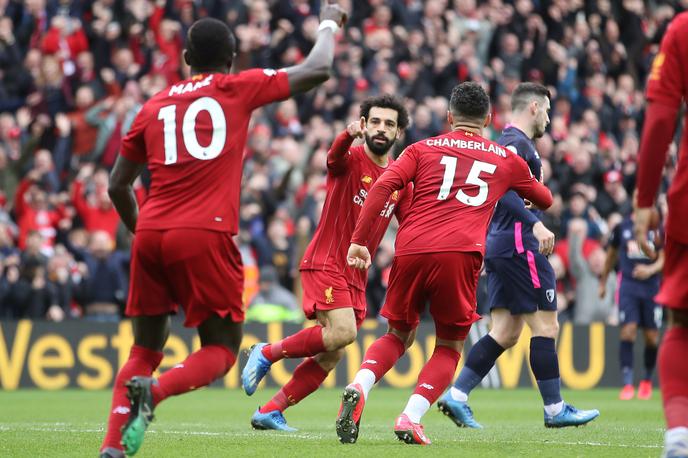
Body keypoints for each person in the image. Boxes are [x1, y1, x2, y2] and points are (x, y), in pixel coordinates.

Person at [99, 4, 349, 457]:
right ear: (232, 58)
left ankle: (112, 448)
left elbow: (118, 185)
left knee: (143, 351)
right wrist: (330, 20)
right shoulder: (237, 87)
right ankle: (151, 395)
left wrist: (142, 235)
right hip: (204, 233)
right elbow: (319, 68)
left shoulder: (152, 106)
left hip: (151, 230)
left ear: (186, 59)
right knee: (220, 350)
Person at [339, 82, 554, 445]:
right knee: (451, 345)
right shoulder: (504, 157)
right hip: (460, 254)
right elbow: (543, 198)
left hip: (410, 249)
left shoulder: (420, 148)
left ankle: (359, 384)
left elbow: (381, 188)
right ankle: (410, 416)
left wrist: (359, 241)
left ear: (449, 117)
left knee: (397, 334)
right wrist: (525, 187)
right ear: (488, 119)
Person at [241, 94, 411, 431]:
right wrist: (346, 134)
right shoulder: (350, 159)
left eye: (389, 124)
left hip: (356, 275)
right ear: (364, 125)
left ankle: (270, 410)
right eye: (374, 121)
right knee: (343, 332)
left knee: (334, 349)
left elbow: (411, 224)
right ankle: (266, 353)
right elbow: (332, 158)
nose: (381, 128)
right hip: (327, 260)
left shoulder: (398, 180)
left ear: (399, 133)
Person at [436, 83, 599, 430]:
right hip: (519, 243)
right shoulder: (514, 143)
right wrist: (535, 225)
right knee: (546, 325)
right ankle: (555, 409)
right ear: (535, 108)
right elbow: (501, 188)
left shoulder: (517, 144)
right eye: (549, 111)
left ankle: (457, 395)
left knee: (506, 331)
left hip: (502, 245)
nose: (550, 119)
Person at [634, 11, 688, 458]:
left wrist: (644, 200)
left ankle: (679, 436)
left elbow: (659, 122)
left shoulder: (683, 29)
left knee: (681, 326)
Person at [599, 206, 663, 400]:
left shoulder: (658, 228)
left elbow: (665, 257)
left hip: (652, 288)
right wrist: (602, 282)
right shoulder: (622, 227)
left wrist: (650, 270)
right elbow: (611, 255)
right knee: (628, 330)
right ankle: (627, 384)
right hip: (628, 286)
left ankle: (646, 381)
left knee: (652, 337)